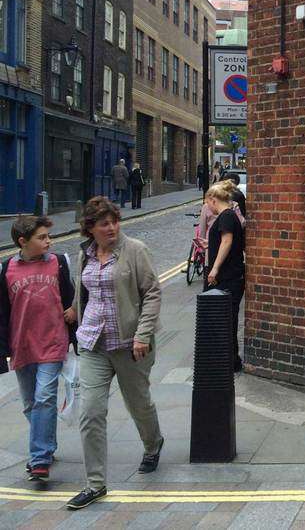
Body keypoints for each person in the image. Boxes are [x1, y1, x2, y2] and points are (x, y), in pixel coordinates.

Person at [67, 197, 163, 510]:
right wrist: (74, 317)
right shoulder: (85, 254)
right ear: (90, 228)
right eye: (103, 223)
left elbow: (152, 293)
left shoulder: (135, 250)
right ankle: (95, 484)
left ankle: (153, 443)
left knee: (139, 404)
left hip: (129, 344)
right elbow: (84, 293)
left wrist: (143, 335)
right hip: (93, 343)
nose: (111, 228)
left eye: (113, 221)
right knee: (91, 412)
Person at [0, 216, 76, 482]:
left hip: (52, 342)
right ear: (23, 241)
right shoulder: (7, 268)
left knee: (44, 398)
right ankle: (47, 444)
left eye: (48, 237)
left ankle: (40, 460)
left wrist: (72, 314)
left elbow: (70, 298)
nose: (48, 241)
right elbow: (2, 312)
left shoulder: (58, 263)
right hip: (21, 345)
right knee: (31, 404)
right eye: (42, 237)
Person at [204, 183, 246, 373]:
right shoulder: (228, 216)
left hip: (227, 277)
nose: (208, 208)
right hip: (227, 276)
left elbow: (227, 241)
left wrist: (214, 269)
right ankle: (228, 360)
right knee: (223, 318)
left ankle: (230, 362)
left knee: (225, 319)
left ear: (213, 200)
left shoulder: (227, 215)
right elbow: (223, 241)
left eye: (208, 203)